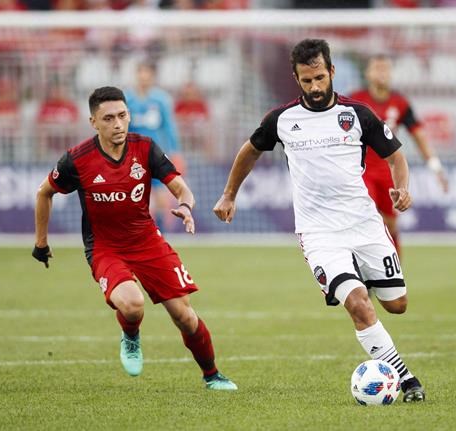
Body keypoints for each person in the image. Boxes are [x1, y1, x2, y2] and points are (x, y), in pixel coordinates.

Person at [213, 39, 425, 402]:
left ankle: (355, 276)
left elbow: (396, 157)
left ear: (332, 72)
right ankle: (407, 380)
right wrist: (229, 194)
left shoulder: (357, 115)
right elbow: (250, 151)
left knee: (397, 304)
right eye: (307, 80)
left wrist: (402, 188)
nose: (314, 87)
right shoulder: (281, 119)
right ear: (297, 79)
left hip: (364, 224)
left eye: (320, 78)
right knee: (358, 304)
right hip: (319, 233)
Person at [32, 86, 237, 390]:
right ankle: (130, 336)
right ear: (93, 122)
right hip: (105, 248)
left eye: (122, 115)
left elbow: (181, 188)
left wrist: (184, 206)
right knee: (132, 304)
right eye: (109, 118)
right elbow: (44, 192)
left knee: (184, 316)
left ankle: (212, 375)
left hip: (147, 241)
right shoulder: (77, 160)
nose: (118, 124)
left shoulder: (145, 148)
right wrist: (41, 242)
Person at [350, 55, 448, 255]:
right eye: (377, 68)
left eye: (385, 68)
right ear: (368, 73)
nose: (381, 73)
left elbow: (419, 136)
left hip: (390, 171)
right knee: (367, 217)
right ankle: (363, 267)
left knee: (391, 225)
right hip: (362, 171)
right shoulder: (354, 101)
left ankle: (395, 269)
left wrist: (436, 167)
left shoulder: (400, 103)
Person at [125, 61, 185, 232]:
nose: (143, 77)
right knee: (133, 194)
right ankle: (135, 233)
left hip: (156, 153)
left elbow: (168, 127)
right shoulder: (127, 99)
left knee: (160, 194)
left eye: (147, 74)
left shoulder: (161, 99)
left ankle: (160, 233)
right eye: (141, 73)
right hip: (133, 155)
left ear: (152, 76)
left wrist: (175, 151)